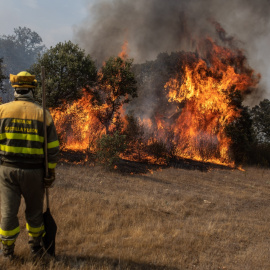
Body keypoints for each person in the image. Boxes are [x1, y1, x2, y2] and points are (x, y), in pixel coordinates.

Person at [0, 71, 59, 259]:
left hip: (7, 171)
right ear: (33, 90)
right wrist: (50, 172)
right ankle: (35, 249)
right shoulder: (43, 114)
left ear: (16, 89)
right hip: (34, 172)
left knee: (8, 213)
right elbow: (52, 148)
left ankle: (7, 252)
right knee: (34, 213)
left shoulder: (2, 111)